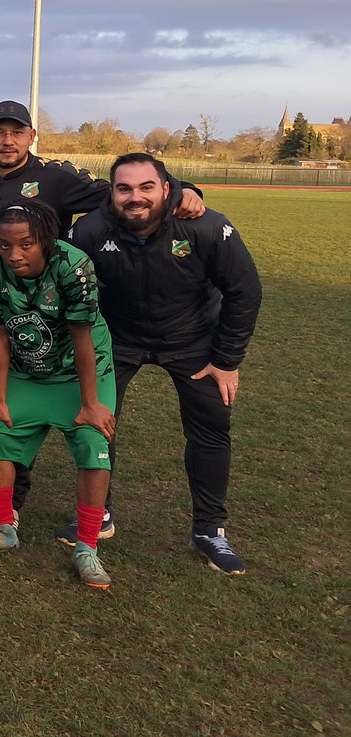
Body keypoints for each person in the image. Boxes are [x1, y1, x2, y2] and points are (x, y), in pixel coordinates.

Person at [0, 101, 204, 523]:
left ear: (31, 136)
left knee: (26, 394)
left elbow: (122, 192)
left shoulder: (57, 178)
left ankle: (15, 491)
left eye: (17, 132)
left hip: (46, 318)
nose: (8, 141)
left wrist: (184, 188)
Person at [67, 154, 262, 574]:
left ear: (167, 188)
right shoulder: (90, 230)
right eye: (124, 189)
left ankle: (209, 529)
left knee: (211, 426)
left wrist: (226, 360)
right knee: (95, 420)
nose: (134, 197)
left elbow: (244, 290)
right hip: (119, 337)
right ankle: (99, 513)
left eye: (146, 187)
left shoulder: (205, 225)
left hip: (193, 338)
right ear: (111, 192)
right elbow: (67, 285)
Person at [0, 201, 117, 590]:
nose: (14, 255)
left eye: (25, 245)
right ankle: (2, 529)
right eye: (5, 245)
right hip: (26, 369)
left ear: (45, 240)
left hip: (79, 373)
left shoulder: (73, 264)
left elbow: (82, 337)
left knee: (93, 441)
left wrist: (90, 403)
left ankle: (87, 547)